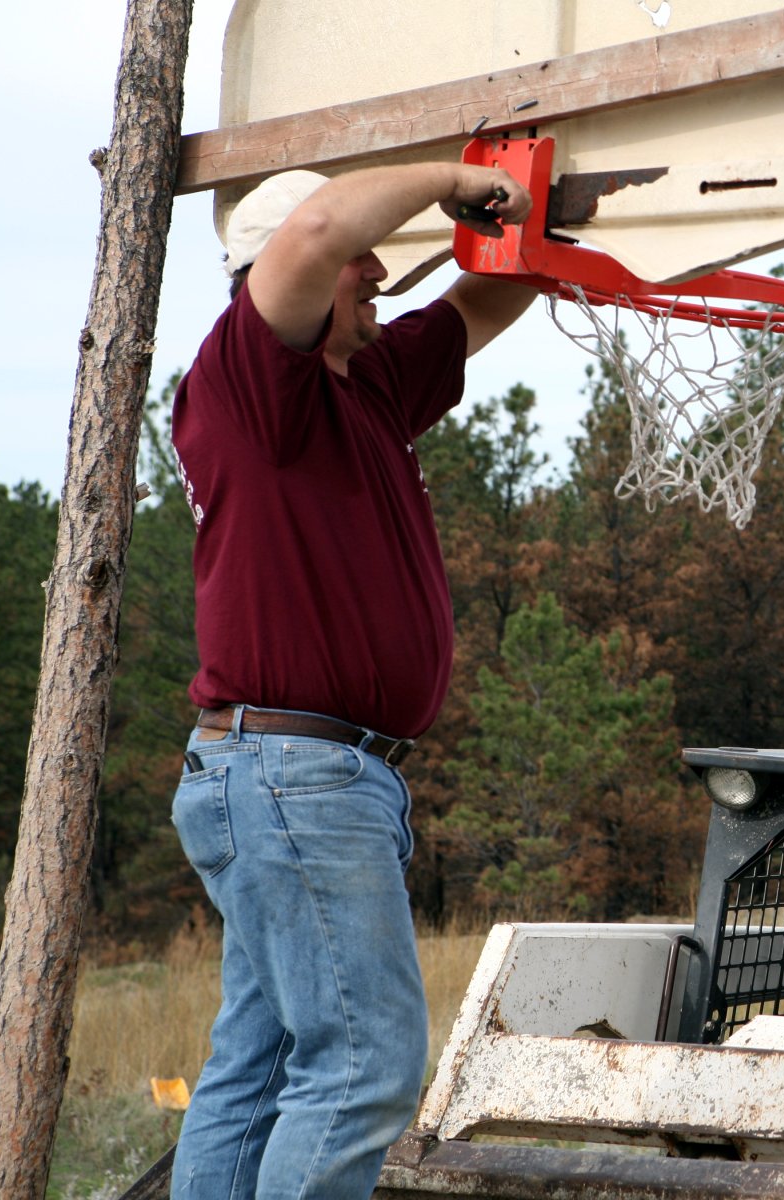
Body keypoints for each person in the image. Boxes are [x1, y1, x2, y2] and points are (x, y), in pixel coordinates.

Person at [167, 161, 536, 1199]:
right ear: (279, 275)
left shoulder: (362, 387)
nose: (379, 273)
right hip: (294, 777)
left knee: (260, 1067)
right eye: (359, 265)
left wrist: (533, 210)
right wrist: (456, 175)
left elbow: (484, 299)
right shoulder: (252, 379)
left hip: (292, 777)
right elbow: (322, 227)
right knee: (365, 1065)